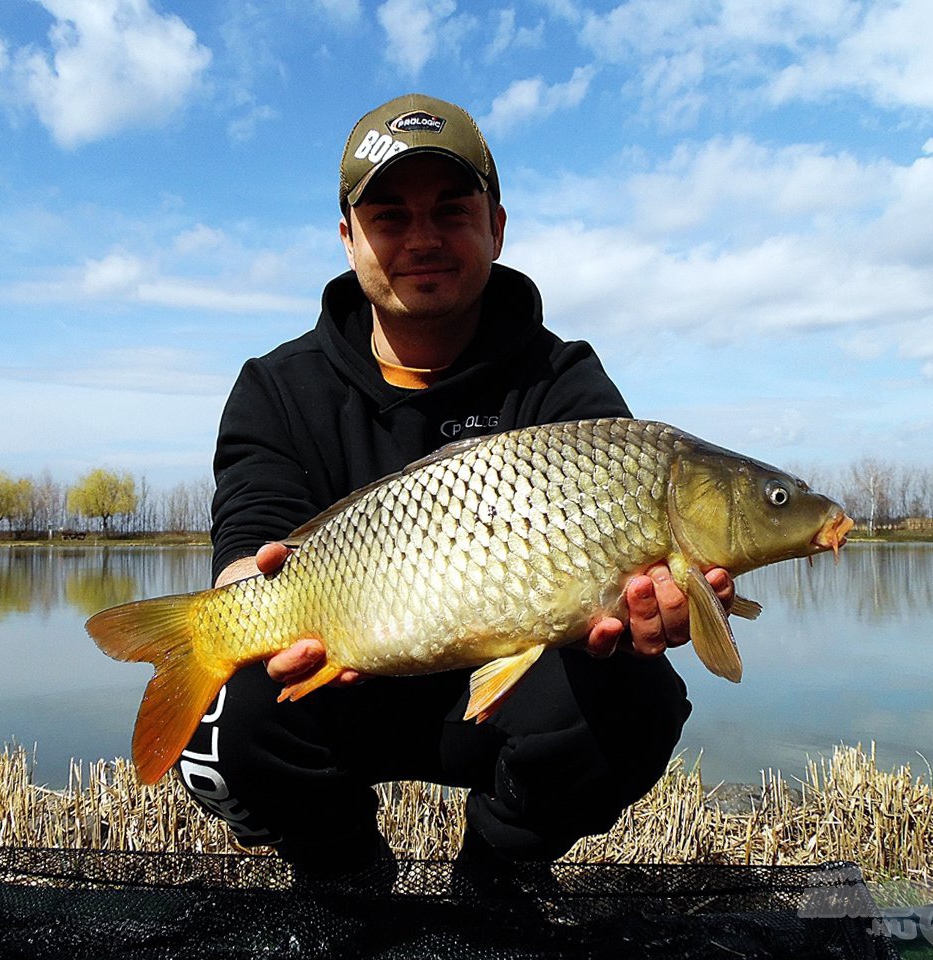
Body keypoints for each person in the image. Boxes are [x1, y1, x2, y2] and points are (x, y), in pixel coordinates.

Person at [177, 93, 733, 889]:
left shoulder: (561, 377)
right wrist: (245, 593)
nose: (423, 239)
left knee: (638, 693)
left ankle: (498, 872)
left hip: (509, 696)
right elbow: (251, 528)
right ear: (349, 239)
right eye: (391, 217)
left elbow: (632, 564)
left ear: (496, 227)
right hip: (340, 676)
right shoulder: (277, 387)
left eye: (451, 210)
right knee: (225, 726)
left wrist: (655, 603)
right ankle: (343, 870)